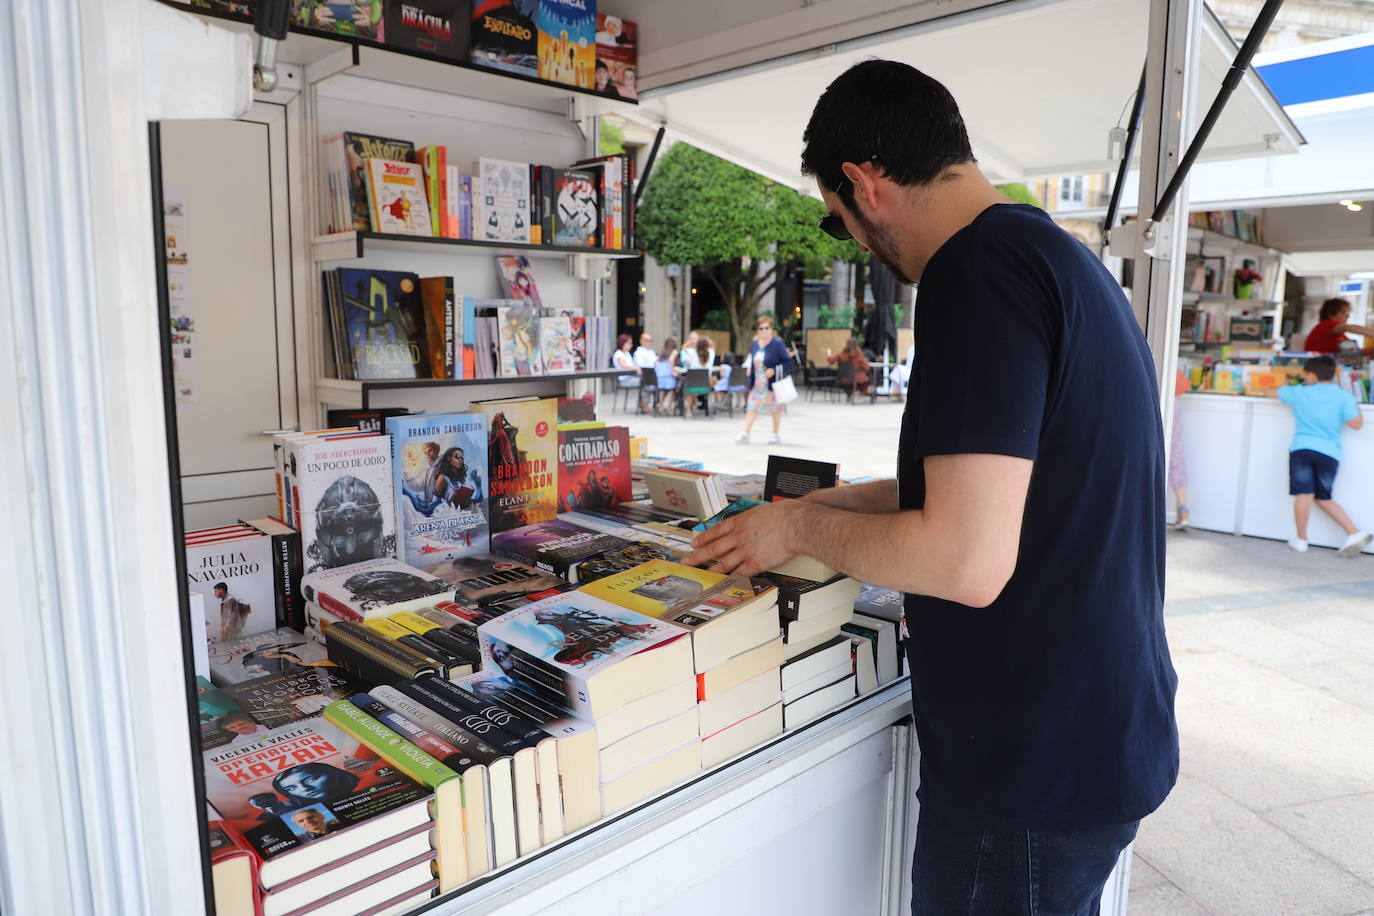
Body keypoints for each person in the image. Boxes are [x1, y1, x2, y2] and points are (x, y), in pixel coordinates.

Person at [687, 60, 1176, 915]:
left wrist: (798, 536)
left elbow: (963, 558)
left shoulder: (974, 277)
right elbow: (999, 485)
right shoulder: (1055, 257)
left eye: (839, 224)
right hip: (1096, 732)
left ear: (863, 184)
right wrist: (815, 506)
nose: (859, 245)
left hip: (1028, 772)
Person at [1265, 355, 1371, 555]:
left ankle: (1301, 539)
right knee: (1323, 496)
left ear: (1312, 375)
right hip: (1329, 453)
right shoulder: (1343, 396)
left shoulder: (1299, 393)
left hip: (1302, 448)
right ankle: (1353, 532)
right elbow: (1357, 424)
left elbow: (1269, 392)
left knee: (1304, 494)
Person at [735, 316, 792, 445]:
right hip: (758, 383)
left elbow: (788, 361)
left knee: (775, 409)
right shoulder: (755, 344)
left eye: (767, 328)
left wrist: (774, 370)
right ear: (758, 330)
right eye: (761, 328)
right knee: (752, 407)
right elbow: (753, 362)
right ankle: (745, 433)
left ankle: (775, 434)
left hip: (772, 384)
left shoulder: (777, 343)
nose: (764, 330)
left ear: (771, 329)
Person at [1304, 297, 1374, 357]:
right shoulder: (1325, 325)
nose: (1348, 316)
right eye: (1344, 312)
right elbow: (1347, 328)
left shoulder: (1341, 335)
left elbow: (1353, 355)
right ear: (1331, 314)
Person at [1170, 367, 1191, 531]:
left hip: (1161, 401)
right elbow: (1185, 385)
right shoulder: (1173, 365)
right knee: (1176, 457)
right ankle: (1182, 509)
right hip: (1174, 403)